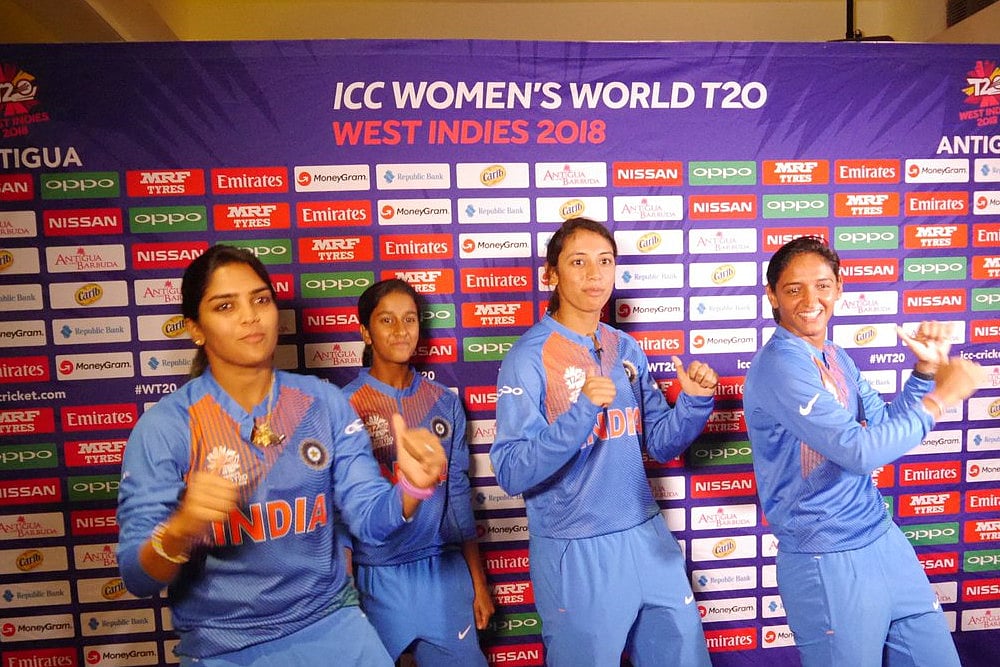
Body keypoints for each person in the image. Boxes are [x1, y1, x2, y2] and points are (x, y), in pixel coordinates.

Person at [116, 245, 447, 667]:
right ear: (195, 328)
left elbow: (370, 520)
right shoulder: (167, 427)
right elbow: (137, 577)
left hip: (335, 626)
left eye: (260, 300)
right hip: (227, 648)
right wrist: (181, 529)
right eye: (225, 306)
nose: (249, 316)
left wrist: (410, 488)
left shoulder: (324, 404)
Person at [743, 235, 984, 667]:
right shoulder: (779, 365)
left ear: (839, 288)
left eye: (822, 285)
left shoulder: (835, 355)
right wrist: (941, 398)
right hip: (826, 558)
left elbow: (885, 427)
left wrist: (925, 372)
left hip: (883, 540)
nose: (811, 300)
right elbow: (859, 453)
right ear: (772, 296)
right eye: (794, 289)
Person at [490, 217, 718, 667]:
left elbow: (660, 443)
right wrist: (580, 415)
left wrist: (692, 403)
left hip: (646, 534)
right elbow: (511, 471)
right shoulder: (529, 356)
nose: (595, 274)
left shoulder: (625, 348)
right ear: (551, 274)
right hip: (577, 547)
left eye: (605, 261)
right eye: (579, 262)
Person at [342, 278, 493, 665]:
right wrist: (344, 597)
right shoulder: (344, 407)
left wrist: (477, 580)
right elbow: (338, 515)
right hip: (375, 577)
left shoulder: (444, 402)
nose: (400, 330)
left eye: (409, 319)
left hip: (443, 574)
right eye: (386, 320)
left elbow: (457, 497)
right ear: (365, 332)